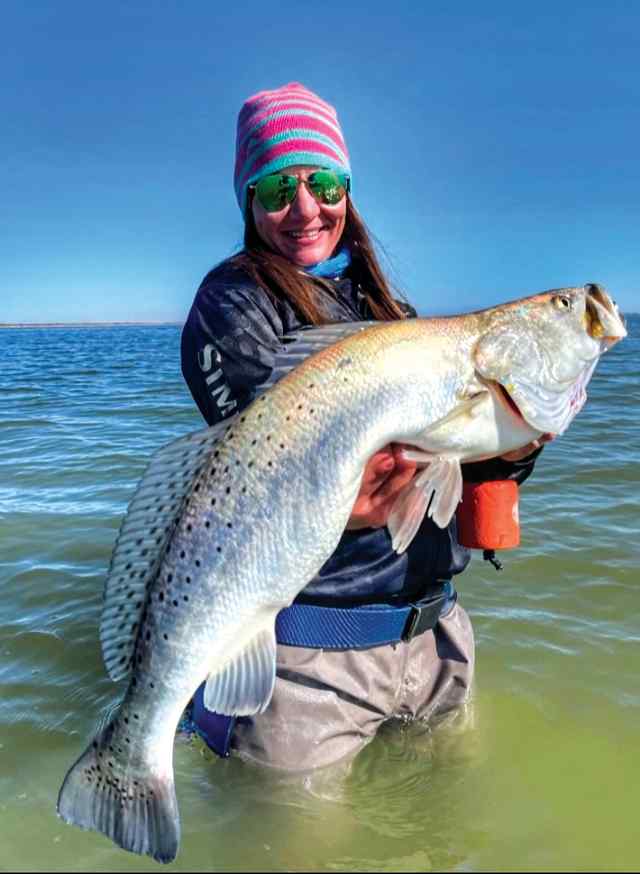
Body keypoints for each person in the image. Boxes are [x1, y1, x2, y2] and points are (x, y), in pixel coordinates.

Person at [181, 82, 544, 770]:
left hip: (436, 637)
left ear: (347, 186)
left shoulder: (393, 309)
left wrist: (511, 446)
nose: (306, 208)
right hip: (310, 658)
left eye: (324, 181)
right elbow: (270, 469)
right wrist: (346, 504)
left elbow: (454, 465)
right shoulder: (232, 304)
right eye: (276, 189)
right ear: (247, 200)